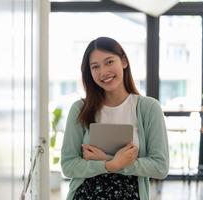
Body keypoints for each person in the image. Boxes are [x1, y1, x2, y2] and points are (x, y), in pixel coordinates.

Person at [61, 37, 169, 200]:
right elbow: (68, 165)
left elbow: (160, 167)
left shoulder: (149, 108)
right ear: (89, 72)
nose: (103, 72)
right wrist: (111, 164)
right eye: (95, 67)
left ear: (124, 61)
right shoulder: (79, 109)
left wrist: (109, 160)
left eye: (109, 62)